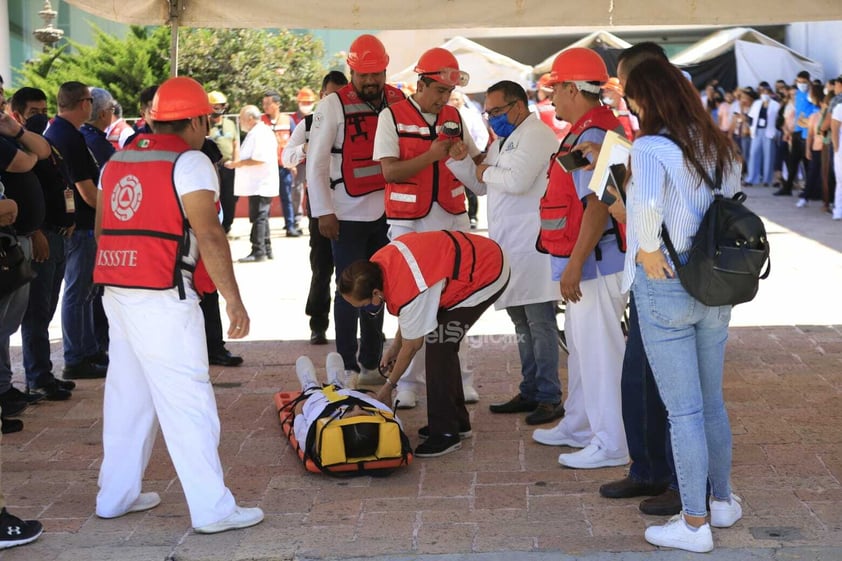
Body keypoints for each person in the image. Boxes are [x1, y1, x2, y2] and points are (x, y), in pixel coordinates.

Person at [93, 76, 263, 534]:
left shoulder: (118, 159)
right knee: (188, 399)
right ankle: (213, 509)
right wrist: (234, 300)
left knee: (127, 396)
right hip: (164, 293)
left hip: (117, 286)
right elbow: (209, 233)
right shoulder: (189, 162)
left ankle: (116, 495)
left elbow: (101, 228)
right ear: (197, 119)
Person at [623, 57, 743, 553]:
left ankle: (694, 525)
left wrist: (647, 248)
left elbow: (647, 205)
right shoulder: (717, 143)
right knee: (710, 402)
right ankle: (722, 501)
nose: (629, 106)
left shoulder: (651, 146)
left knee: (684, 412)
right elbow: (735, 200)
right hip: (717, 283)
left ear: (647, 99)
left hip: (667, 281)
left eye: (632, 98)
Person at [530, 48, 629, 470]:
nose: (552, 99)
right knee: (586, 349)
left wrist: (574, 264)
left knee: (602, 352)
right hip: (588, 259)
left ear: (574, 88)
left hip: (596, 261)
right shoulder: (588, 129)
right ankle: (581, 423)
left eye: (556, 90)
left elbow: (598, 205)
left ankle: (613, 443)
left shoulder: (601, 133)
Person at [595, 41, 682, 517]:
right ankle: (648, 469)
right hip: (656, 273)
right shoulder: (659, 135)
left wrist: (628, 212)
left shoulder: (669, 137)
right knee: (640, 381)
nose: (623, 96)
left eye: (625, 86)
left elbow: (657, 214)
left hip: (668, 275)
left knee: (677, 391)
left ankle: (680, 482)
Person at [446, 80, 563, 426]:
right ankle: (530, 389)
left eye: (496, 112)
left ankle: (549, 395)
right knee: (521, 321)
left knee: (540, 322)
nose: (491, 118)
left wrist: (486, 169)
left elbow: (516, 182)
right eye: (488, 113)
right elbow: (482, 184)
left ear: (516, 106)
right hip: (510, 245)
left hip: (533, 243)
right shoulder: (506, 140)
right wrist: (463, 162)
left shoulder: (537, 134)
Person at [373, 46, 481, 408]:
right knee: (411, 304)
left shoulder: (454, 115)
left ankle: (460, 379)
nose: (444, 99)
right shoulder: (392, 116)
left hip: (453, 216)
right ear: (421, 84)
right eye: (438, 91)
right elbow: (389, 172)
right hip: (409, 224)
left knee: (457, 301)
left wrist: (467, 157)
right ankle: (407, 386)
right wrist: (431, 156)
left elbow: (476, 157)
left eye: (449, 92)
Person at [339, 230, 510, 457]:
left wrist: (388, 387)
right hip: (475, 258)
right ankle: (457, 422)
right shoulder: (377, 266)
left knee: (439, 345)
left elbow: (412, 344)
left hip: (487, 272)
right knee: (441, 344)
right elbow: (408, 311)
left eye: (363, 304)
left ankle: (446, 434)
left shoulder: (409, 285)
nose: (363, 309)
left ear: (376, 293)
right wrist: (393, 348)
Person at [306, 34, 405, 386]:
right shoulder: (331, 106)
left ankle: (371, 361)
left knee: (380, 286)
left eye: (376, 73)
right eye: (363, 74)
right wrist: (323, 212)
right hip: (345, 213)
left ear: (385, 69)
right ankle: (347, 363)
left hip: (389, 213)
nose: (370, 81)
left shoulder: (397, 100)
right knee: (348, 288)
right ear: (351, 71)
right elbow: (315, 163)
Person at [9, 87, 76, 401]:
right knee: (35, 312)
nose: (41, 116)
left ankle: (44, 373)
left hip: (60, 234)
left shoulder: (42, 143)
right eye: (34, 112)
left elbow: (56, 178)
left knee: (47, 307)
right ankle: (38, 377)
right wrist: (35, 231)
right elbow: (20, 192)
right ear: (17, 114)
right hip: (40, 235)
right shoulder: (12, 146)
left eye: (44, 110)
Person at [44, 82, 108, 380]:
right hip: (82, 225)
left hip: (76, 223)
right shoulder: (69, 136)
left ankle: (87, 350)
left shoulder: (59, 131)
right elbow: (87, 190)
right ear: (84, 103)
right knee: (78, 293)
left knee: (84, 292)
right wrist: (110, 218)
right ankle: (77, 357)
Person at [0, 76, 54, 421]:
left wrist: (15, 131)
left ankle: (4, 386)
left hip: (17, 238)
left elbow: (43, 151)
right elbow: (28, 162)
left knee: (8, 323)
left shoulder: (6, 133)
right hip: (9, 239)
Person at [283, 71, 349, 346]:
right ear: (322, 95)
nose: (335, 100)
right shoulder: (308, 124)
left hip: (353, 206)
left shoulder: (357, 122)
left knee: (355, 268)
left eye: (341, 96)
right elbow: (287, 155)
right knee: (322, 267)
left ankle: (363, 324)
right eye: (330, 95)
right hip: (321, 206)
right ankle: (318, 324)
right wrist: (306, 148)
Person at [292, 352, 401, 453]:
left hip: (315, 400)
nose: (357, 407)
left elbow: (299, 413)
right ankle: (337, 384)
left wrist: (303, 403)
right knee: (342, 389)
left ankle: (309, 384)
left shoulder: (309, 439)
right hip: (348, 394)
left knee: (311, 390)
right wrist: (371, 397)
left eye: (350, 413)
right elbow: (383, 406)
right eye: (364, 412)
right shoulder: (394, 427)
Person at [225, 105, 279, 262]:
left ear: (249, 118)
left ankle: (258, 250)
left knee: (259, 217)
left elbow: (259, 158)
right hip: (258, 183)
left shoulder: (260, 133)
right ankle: (266, 248)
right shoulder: (257, 132)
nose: (240, 122)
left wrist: (238, 164)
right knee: (261, 216)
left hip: (260, 183)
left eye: (241, 118)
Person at [261, 90, 301, 237]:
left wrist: (294, 162)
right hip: (267, 168)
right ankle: (265, 231)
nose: (265, 106)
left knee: (287, 197)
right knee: (266, 200)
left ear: (277, 104)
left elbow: (296, 141)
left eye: (268, 103)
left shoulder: (287, 120)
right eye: (263, 103)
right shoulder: (261, 121)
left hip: (284, 166)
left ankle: (290, 226)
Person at [777, 71, 818, 196]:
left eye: (804, 82)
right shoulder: (798, 94)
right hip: (797, 131)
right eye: (799, 81)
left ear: (808, 81)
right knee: (793, 161)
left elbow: (816, 108)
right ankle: (787, 188)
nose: (801, 84)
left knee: (807, 163)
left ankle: (809, 190)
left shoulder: (812, 93)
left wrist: (808, 120)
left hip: (807, 132)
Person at [208, 91, 240, 233]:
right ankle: (217, 225)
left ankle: (227, 225)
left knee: (230, 197)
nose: (217, 109)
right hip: (213, 167)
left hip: (229, 166)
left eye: (219, 106)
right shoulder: (205, 125)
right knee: (215, 197)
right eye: (214, 106)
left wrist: (236, 161)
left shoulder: (230, 124)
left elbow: (235, 143)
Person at [745, 82, 781, 187]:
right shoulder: (756, 103)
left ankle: (767, 179)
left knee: (769, 155)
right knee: (754, 153)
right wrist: (751, 128)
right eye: (763, 92)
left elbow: (778, 119)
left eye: (767, 92)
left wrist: (776, 132)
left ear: (770, 93)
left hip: (769, 132)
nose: (765, 94)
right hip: (757, 131)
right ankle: (752, 178)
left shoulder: (775, 105)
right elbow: (751, 117)